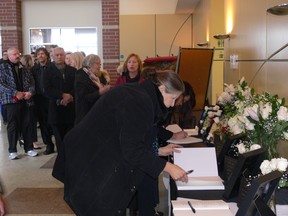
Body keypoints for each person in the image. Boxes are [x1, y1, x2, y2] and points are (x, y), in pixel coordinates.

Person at [52, 71, 188, 216]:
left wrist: (158, 151)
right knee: (100, 206)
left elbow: (127, 138)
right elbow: (132, 150)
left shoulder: (139, 94)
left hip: (94, 154)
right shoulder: (140, 101)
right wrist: (169, 167)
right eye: (172, 98)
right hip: (89, 160)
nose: (172, 104)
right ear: (161, 89)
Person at [0, 47, 38, 159]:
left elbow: (32, 83)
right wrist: (15, 93)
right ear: (8, 55)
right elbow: (1, 84)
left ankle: (29, 148)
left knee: (27, 124)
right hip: (11, 101)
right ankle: (12, 150)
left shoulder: (25, 68)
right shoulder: (2, 68)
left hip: (26, 100)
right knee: (13, 126)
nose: (17, 56)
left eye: (18, 54)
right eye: (14, 54)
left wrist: (30, 92)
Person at [43, 47, 76, 152]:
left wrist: (70, 96)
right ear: (52, 56)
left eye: (61, 54)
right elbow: (46, 89)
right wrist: (62, 95)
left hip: (70, 109)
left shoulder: (73, 70)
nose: (59, 57)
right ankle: (62, 161)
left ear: (65, 55)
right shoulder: (47, 71)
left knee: (71, 138)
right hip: (56, 109)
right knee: (59, 139)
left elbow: (76, 87)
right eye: (57, 55)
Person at [31, 47, 56, 155]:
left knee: (54, 121)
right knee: (43, 123)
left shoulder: (53, 67)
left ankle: (59, 143)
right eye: (38, 54)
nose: (40, 55)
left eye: (42, 54)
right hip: (40, 99)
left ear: (46, 55)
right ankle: (48, 145)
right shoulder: (34, 69)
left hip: (51, 98)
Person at [74, 54, 111, 125]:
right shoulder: (81, 77)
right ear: (89, 64)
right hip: (86, 114)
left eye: (100, 64)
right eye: (97, 63)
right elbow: (83, 98)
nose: (100, 66)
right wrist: (100, 92)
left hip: (96, 113)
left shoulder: (97, 77)